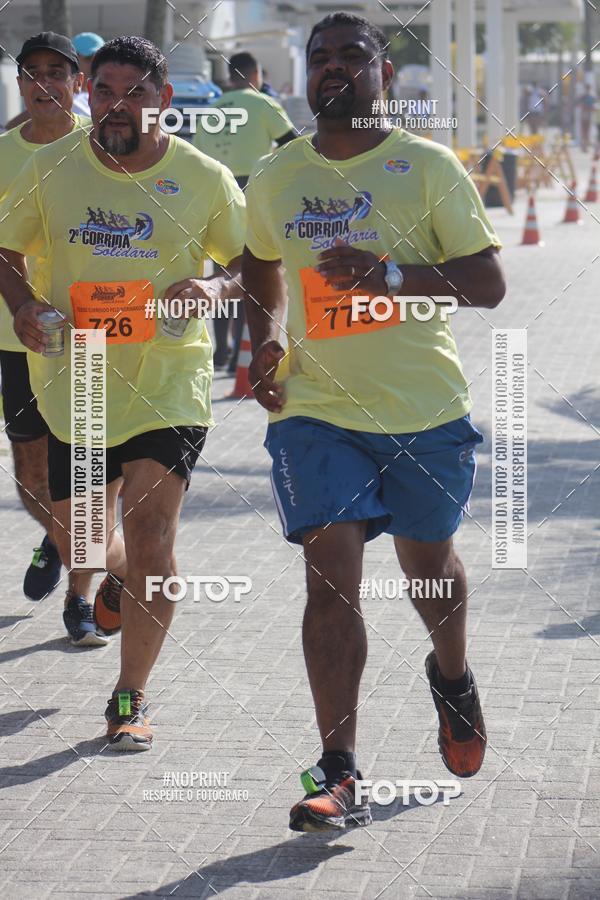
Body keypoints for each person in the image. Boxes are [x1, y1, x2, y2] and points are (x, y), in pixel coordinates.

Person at [242, 12, 506, 832]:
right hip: (317, 413)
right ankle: (339, 770)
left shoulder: (425, 166)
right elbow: (259, 260)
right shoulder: (277, 173)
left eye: (351, 56)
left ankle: (453, 677)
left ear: (383, 74)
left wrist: (389, 275)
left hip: (423, 410)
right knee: (329, 579)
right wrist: (265, 339)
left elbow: (488, 283)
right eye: (320, 56)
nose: (333, 68)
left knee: (429, 570)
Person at [0, 36, 246, 749]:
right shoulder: (51, 168)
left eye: (134, 93)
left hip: (168, 381)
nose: (116, 106)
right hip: (77, 379)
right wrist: (22, 305)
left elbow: (253, 264)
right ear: (89, 95)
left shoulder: (202, 177)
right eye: (104, 91)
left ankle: (129, 696)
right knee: (84, 539)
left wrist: (214, 288)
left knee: (153, 538)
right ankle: (113, 578)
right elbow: (6, 248)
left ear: (163, 99)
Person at [0, 32, 101, 628]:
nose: (44, 83)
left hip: (87, 336)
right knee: (33, 476)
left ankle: (80, 598)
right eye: (32, 73)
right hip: (15, 339)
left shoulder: (102, 148)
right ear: (20, 85)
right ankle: (59, 538)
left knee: (85, 472)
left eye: (56, 72)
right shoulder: (2, 153)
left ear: (76, 83)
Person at [194, 51, 295, 372]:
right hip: (251, 190)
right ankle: (241, 351)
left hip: (214, 193)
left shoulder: (211, 110)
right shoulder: (263, 104)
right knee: (248, 269)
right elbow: (294, 146)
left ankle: (221, 351)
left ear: (230, 77)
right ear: (255, 76)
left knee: (221, 271)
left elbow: (196, 157)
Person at [71, 32, 105, 117]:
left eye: (100, 58)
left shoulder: (112, 95)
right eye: (89, 58)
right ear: (74, 59)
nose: (96, 62)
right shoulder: (65, 100)